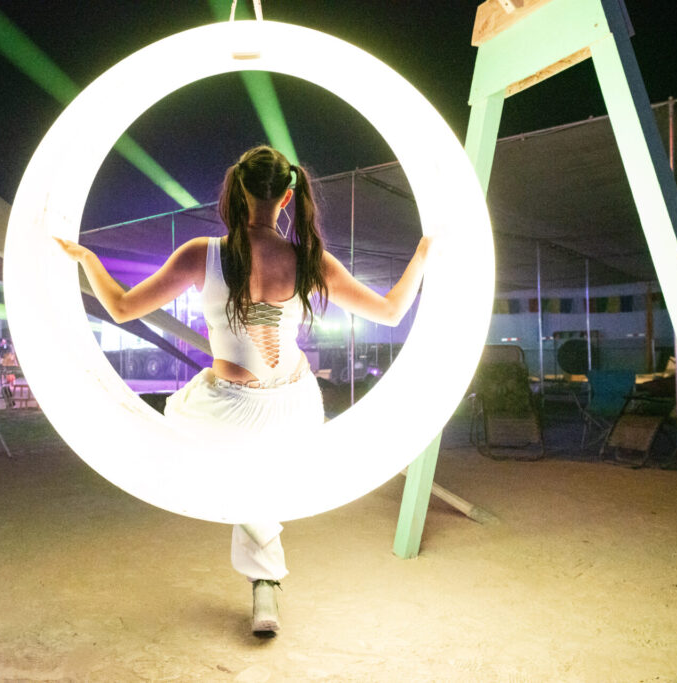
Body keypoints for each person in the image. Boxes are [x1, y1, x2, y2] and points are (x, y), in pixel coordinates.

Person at [55, 145, 431, 635]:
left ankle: (263, 581)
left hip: (226, 410)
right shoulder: (309, 259)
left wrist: (86, 258)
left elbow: (123, 307)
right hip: (297, 405)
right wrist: (424, 253)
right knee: (250, 478)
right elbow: (391, 311)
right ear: (289, 194)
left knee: (187, 425)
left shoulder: (201, 254)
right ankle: (265, 588)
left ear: (237, 188)